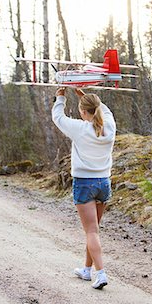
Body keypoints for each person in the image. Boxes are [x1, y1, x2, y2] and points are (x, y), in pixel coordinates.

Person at [52, 87, 116, 289]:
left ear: (83, 112)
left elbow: (58, 117)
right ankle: (87, 270)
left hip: (85, 183)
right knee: (94, 230)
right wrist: (86, 98)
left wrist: (60, 97)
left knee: (91, 232)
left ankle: (101, 273)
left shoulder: (80, 128)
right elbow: (104, 111)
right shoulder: (110, 126)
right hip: (103, 183)